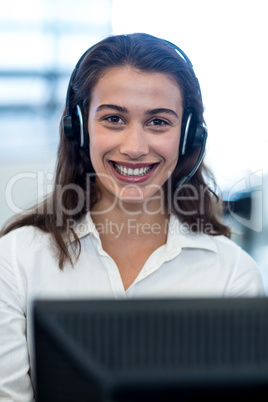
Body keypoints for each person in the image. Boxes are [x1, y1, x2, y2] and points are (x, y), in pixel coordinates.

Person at [0, 33, 264, 400]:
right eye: (113, 119)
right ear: (78, 128)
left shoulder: (232, 274)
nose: (135, 148)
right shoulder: (15, 259)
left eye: (158, 122)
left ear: (187, 136)